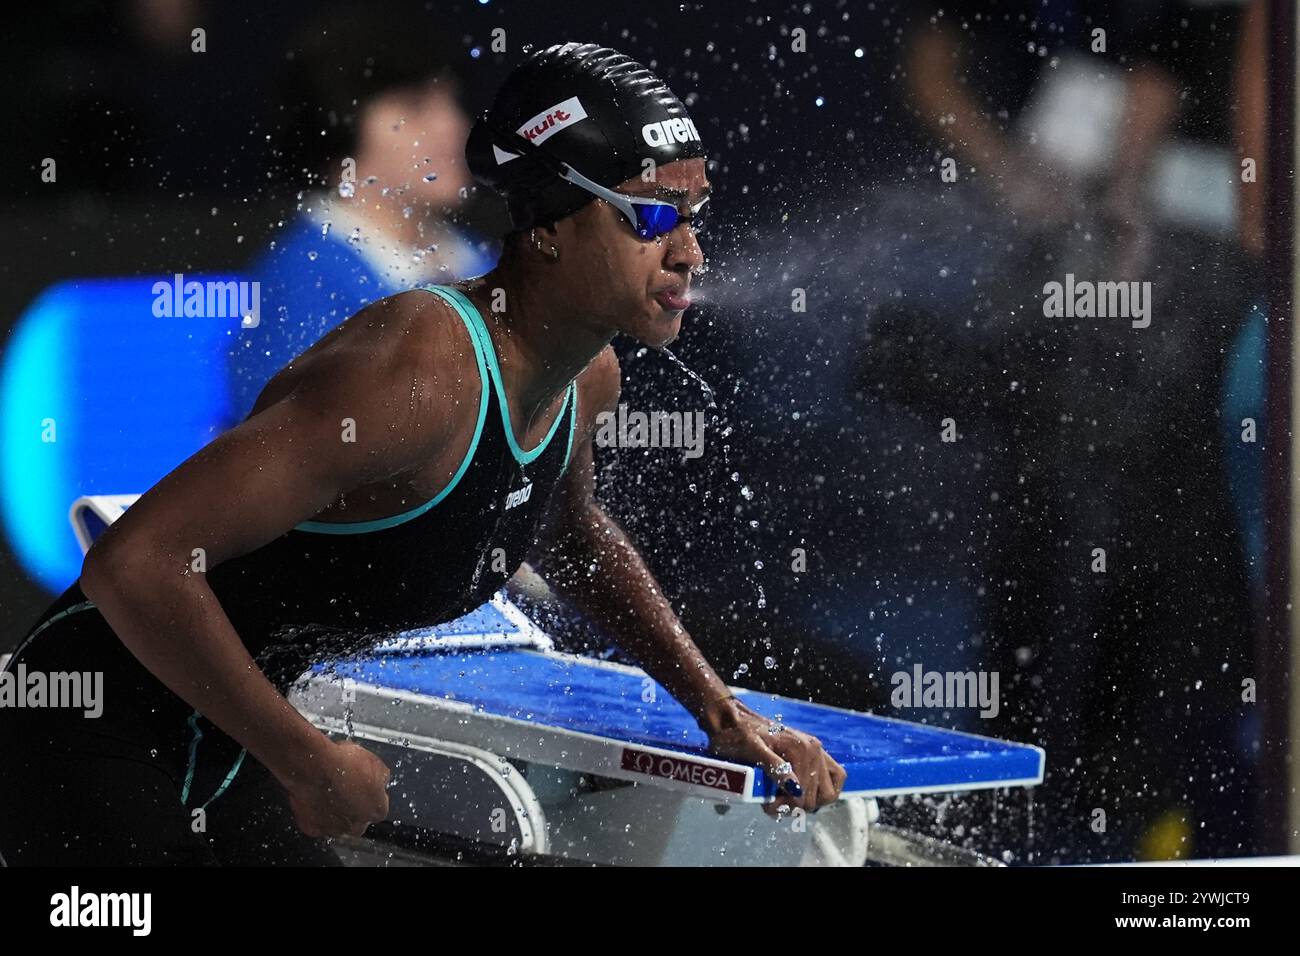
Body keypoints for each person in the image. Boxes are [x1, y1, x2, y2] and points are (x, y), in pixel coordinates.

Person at [0, 42, 846, 866]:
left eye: (694, 214)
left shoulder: (589, 377)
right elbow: (136, 563)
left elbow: (574, 535)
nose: (689, 251)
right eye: (652, 215)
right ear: (549, 225)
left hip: (228, 727)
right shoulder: (415, 374)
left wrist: (722, 713)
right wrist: (305, 759)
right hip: (91, 726)